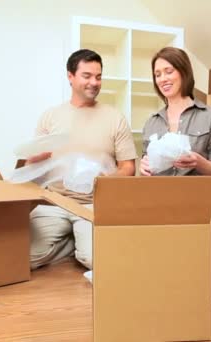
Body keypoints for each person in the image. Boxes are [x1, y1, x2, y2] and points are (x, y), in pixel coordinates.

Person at [26, 49, 137, 270]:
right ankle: (70, 243)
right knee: (25, 259)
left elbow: (128, 167)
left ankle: (80, 245)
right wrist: (34, 159)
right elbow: (31, 168)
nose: (94, 82)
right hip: (55, 201)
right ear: (70, 76)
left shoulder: (115, 118)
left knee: (96, 261)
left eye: (98, 76)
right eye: (87, 76)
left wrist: (106, 179)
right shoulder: (51, 116)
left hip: (94, 204)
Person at [139, 47, 211, 181]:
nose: (162, 79)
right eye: (157, 75)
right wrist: (143, 167)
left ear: (184, 72)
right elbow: (146, 171)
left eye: (168, 72)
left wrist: (199, 163)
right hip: (158, 198)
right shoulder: (151, 122)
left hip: (195, 198)